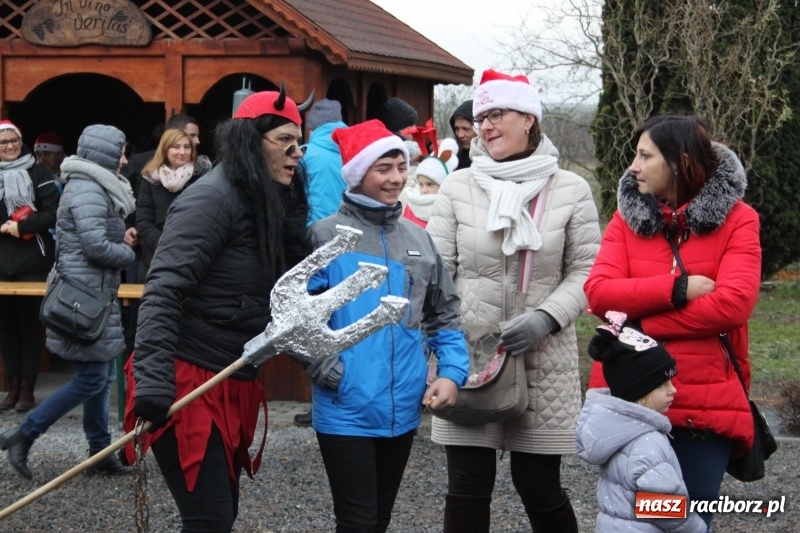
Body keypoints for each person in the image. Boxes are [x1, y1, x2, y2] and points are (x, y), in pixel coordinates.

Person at [127, 88, 313, 532]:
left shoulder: (266, 198)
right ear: (250, 141)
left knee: (219, 516)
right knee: (209, 519)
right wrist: (154, 383)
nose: (296, 154)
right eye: (284, 141)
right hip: (185, 379)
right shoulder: (211, 198)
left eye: (299, 142)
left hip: (230, 375)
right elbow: (163, 290)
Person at [426, 69, 601, 533]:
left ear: (528, 119)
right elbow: (435, 272)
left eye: (496, 115)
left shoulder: (570, 189)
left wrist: (546, 317)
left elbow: (587, 270)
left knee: (538, 484)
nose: (484, 126)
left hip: (544, 357)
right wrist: (442, 340)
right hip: (469, 356)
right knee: (467, 485)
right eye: (480, 118)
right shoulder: (458, 187)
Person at [583, 114, 761, 530]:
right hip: (630, 405)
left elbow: (732, 305)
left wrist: (637, 327)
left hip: (703, 410)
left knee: (684, 522)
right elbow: (600, 294)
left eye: (646, 156)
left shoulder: (740, 219)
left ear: (680, 162)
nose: (634, 166)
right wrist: (678, 289)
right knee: (634, 521)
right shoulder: (625, 218)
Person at [307, 119, 469, 532]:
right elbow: (296, 319)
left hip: (403, 405)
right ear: (358, 174)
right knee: (358, 521)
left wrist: (451, 372)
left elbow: (443, 312)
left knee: (378, 519)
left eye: (401, 167)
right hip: (346, 405)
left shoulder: (418, 239)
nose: (397, 178)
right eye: (384, 169)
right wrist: (330, 370)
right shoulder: (323, 237)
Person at [0, 124, 135, 479]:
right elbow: (96, 247)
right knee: (91, 379)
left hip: (91, 293)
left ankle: (99, 452)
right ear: (105, 153)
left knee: (101, 375)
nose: (124, 160)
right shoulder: (90, 189)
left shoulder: (91, 185)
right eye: (120, 152)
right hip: (84, 297)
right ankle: (23, 434)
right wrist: (127, 252)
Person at [575, 312, 706, 533]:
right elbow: (663, 506)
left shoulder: (617, 432)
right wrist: (696, 528)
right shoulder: (646, 443)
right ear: (640, 392)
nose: (673, 390)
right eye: (662, 385)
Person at [0, 120, 59, 413]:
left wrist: (22, 226)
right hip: (1, 261)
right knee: (5, 327)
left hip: (32, 259)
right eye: (3, 142)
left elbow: (53, 213)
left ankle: (27, 388)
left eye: (14, 141)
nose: (10, 146)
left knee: (28, 327)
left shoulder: (38, 174)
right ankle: (12, 386)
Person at [135, 127, 212, 281]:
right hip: (155, 260)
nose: (182, 152)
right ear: (165, 150)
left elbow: (208, 218)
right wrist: (166, 244)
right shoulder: (150, 179)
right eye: (176, 147)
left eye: (187, 147)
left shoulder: (203, 179)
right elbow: (143, 222)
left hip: (192, 258)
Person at [303, 98, 347, 226]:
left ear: (312, 128)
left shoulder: (303, 154)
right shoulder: (355, 153)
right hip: (346, 228)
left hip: (313, 228)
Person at [402, 137, 458, 228]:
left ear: (442, 184)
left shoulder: (453, 208)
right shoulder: (411, 205)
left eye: (430, 184)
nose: (424, 190)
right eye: (420, 184)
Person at [449, 100, 476, 170]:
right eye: (457, 129)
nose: (460, 135)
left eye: (465, 129)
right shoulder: (452, 157)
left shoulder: (493, 159)